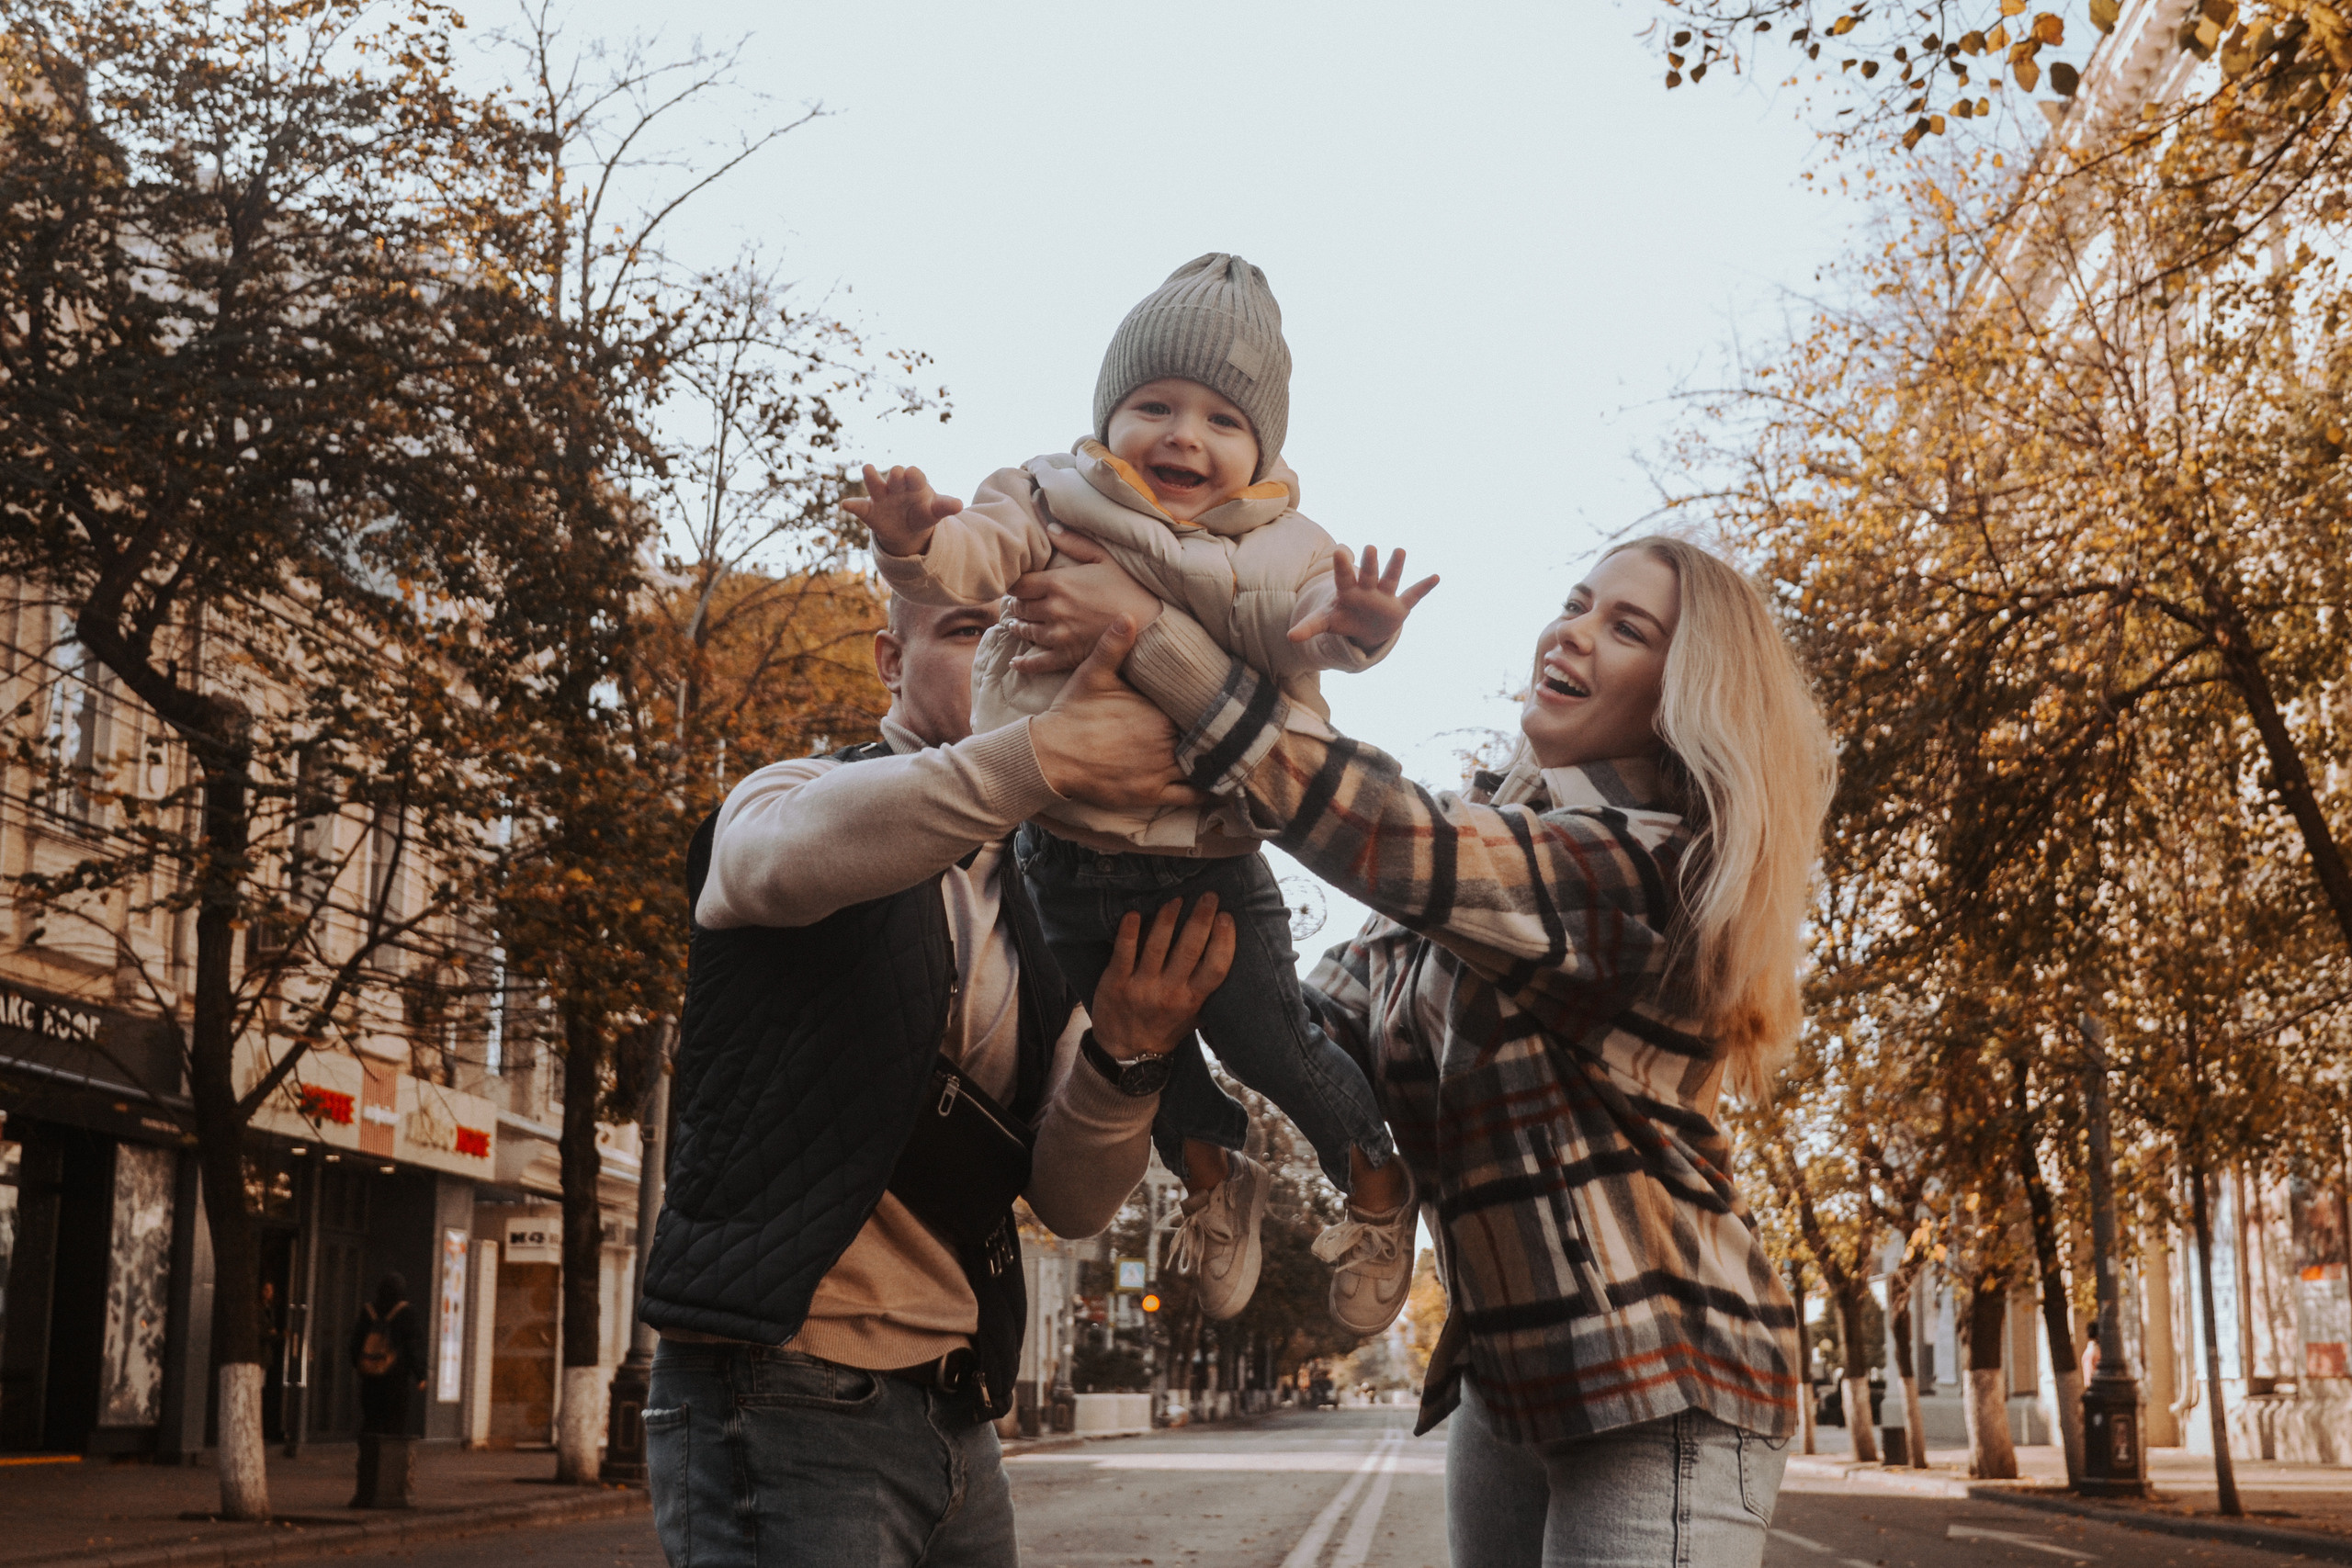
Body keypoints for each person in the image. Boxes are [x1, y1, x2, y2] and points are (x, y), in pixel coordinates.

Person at [1003, 535, 1838, 1566]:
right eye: (1576, 601)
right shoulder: (1472, 884)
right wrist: (1134, 909)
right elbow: (1294, 1041)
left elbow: (1390, 840)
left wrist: (1156, 643)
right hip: (1510, 1377)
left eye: (1627, 628)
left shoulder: (1644, 867)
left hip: (1659, 1370)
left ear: (1686, 696)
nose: (1573, 629)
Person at [846, 254, 1435, 1335]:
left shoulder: (1276, 544)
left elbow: (1300, 619)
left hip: (1206, 853)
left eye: (1221, 418)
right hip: (1059, 850)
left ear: (1263, 450)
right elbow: (975, 556)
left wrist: (1358, 628)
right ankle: (1215, 1178)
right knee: (1130, 1050)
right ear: (1105, 417)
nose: (1182, 436)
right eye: (1153, 404)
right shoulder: (1046, 494)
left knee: (1271, 1041)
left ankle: (1379, 1181)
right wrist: (916, 544)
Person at [636, 592, 1237, 1568]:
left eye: (1037, 636)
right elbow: (770, 866)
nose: (1011, 655)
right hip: (783, 1385)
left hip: (957, 1415)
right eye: (968, 630)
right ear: (888, 658)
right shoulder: (791, 793)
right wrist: (1038, 758)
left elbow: (1073, 1201)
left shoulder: (1057, 904)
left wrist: (1127, 1056)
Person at [348, 1273, 424, 1436]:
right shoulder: (407, 1313)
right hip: (396, 1378)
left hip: (370, 1378)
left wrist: (361, 1365)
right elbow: (413, 1346)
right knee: (394, 1423)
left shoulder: (367, 1311)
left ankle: (368, 1459)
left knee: (371, 1420)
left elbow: (355, 1343)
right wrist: (420, 1375)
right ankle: (388, 1459)